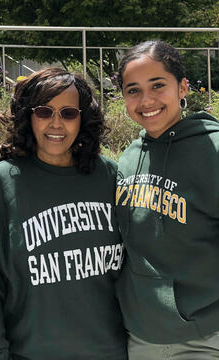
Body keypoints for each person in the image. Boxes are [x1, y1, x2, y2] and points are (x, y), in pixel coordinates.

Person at [0, 67, 128, 359]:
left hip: (109, 352)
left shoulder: (109, 177)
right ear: (28, 116)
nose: (56, 123)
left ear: (83, 118)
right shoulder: (2, 182)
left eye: (68, 113)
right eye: (44, 111)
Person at [115, 40, 219, 359]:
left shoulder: (213, 150)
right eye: (133, 90)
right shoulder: (129, 159)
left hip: (204, 335)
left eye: (158, 85)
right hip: (140, 335)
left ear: (183, 87)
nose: (146, 100)